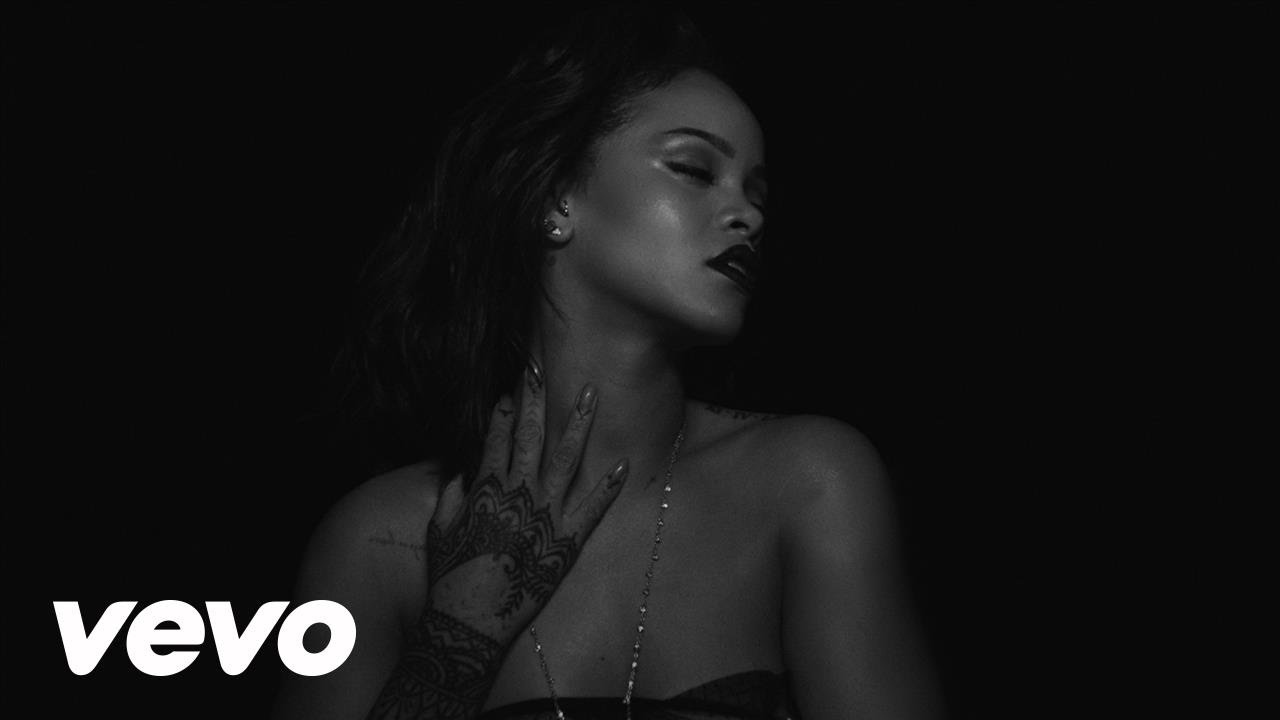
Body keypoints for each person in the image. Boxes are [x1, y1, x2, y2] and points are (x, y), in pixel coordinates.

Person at [272, 5, 942, 719]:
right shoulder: (379, 540)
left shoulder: (808, 483)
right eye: (694, 169)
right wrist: (456, 641)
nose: (747, 216)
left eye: (757, 192)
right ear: (555, 197)